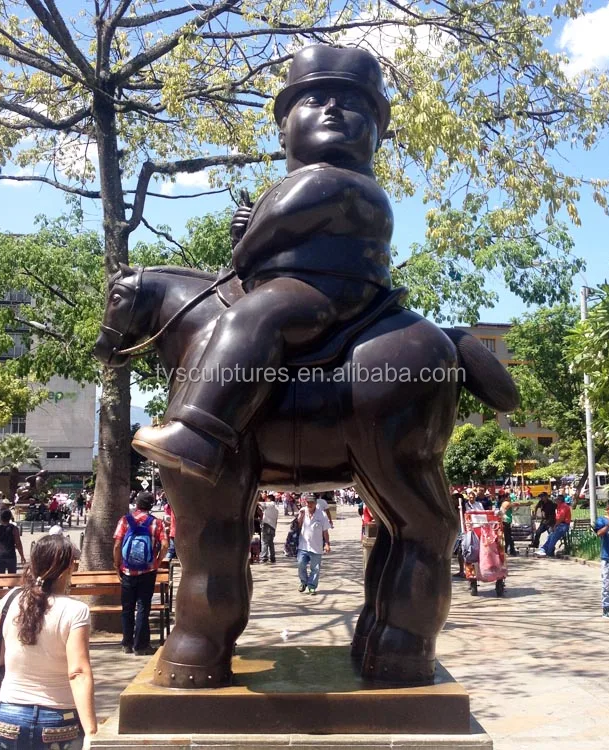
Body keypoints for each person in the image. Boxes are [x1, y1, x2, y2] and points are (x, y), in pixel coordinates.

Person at [132, 45, 396, 488]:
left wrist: (247, 243)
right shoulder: (291, 182)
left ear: (376, 134)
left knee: (251, 316)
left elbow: (281, 222)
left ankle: (199, 431)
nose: (333, 108)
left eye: (351, 103)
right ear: (282, 131)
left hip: (330, 290)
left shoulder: (338, 180)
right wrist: (246, 232)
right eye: (314, 100)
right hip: (291, 281)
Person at [0, 534, 97, 748]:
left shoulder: (9, 601)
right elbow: (78, 673)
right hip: (57, 721)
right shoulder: (76, 611)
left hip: (7, 717)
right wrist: (91, 731)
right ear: (67, 569)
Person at [113, 491, 167, 655]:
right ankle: (141, 645)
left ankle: (127, 643)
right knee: (143, 607)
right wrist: (156, 562)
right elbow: (165, 545)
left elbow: (117, 545)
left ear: (136, 504)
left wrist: (117, 564)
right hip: (147, 572)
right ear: (151, 506)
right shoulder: (156, 523)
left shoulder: (125, 520)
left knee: (127, 608)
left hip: (127, 571)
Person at [296, 495, 331, 595]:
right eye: (307, 502)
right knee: (300, 564)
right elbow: (298, 526)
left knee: (315, 568)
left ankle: (312, 586)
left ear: (316, 503)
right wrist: (301, 516)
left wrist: (327, 544)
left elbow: (325, 531)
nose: (309, 504)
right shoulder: (302, 511)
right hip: (303, 545)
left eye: (311, 502)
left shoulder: (322, 515)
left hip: (316, 547)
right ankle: (303, 582)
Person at [0, 508, 26, 573]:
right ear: (10, 518)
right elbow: (18, 543)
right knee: (12, 577)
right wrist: (22, 556)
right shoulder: (14, 529)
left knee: (0, 577)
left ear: (0, 517)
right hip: (11, 554)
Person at [259, 493, 279, 563]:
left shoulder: (270, 504)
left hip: (267, 525)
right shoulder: (276, 508)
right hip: (273, 526)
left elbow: (259, 504)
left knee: (264, 542)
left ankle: (264, 557)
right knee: (271, 543)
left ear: (269, 499)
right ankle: (272, 557)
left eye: (266, 499)